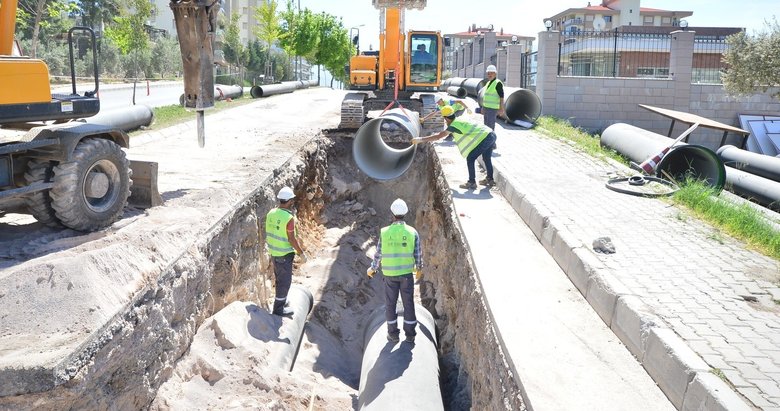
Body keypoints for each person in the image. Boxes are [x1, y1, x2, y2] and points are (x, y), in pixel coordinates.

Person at [367, 198, 423, 343]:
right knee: (408, 303)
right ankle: (410, 335)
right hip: (406, 275)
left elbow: (379, 253)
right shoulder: (412, 232)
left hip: (389, 275)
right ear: (405, 213)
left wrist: (373, 269)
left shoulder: (385, 232)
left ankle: (393, 334)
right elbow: (417, 253)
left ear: (392, 214)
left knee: (390, 304)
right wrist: (419, 268)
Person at [412, 105, 496, 189]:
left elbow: (438, 136)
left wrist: (421, 139)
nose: (445, 122)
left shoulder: (453, 126)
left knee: (471, 158)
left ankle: (472, 182)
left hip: (486, 138)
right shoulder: (458, 119)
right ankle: (490, 179)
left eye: (444, 119)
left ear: (446, 118)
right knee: (486, 158)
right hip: (491, 134)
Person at [265, 186, 306, 317]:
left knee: (279, 279)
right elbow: (291, 239)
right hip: (284, 254)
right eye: (292, 200)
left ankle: (282, 301)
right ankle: (278, 310)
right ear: (289, 201)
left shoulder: (271, 213)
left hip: (274, 252)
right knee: (284, 282)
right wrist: (301, 253)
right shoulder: (288, 218)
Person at [480, 64, 505, 149]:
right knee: (486, 126)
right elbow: (486, 96)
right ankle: (489, 143)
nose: (489, 75)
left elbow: (501, 96)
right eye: (488, 73)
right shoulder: (488, 83)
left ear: (495, 73)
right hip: (487, 108)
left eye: (491, 73)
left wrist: (501, 108)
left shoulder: (498, 83)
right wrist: (483, 107)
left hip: (492, 109)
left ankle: (492, 144)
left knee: (490, 126)